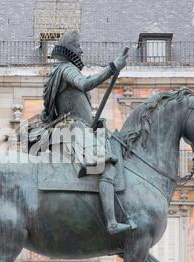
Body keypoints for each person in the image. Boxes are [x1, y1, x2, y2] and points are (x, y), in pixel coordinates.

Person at [39, 31, 132, 235]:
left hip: (77, 126)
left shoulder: (60, 72)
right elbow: (86, 83)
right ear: (70, 50)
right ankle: (111, 223)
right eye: (78, 46)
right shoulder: (66, 70)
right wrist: (113, 67)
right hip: (75, 129)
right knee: (107, 169)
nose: (81, 50)